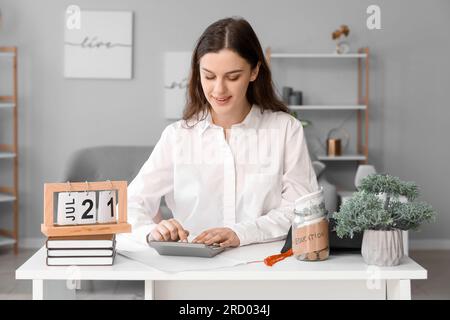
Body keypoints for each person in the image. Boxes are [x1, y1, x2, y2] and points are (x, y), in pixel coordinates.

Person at [127, 17, 318, 248]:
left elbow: (302, 210)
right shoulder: (177, 136)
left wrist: (241, 233)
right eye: (209, 76)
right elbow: (131, 203)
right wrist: (153, 231)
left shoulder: (285, 130)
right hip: (191, 268)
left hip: (265, 266)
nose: (219, 89)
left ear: (254, 71)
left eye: (233, 77)